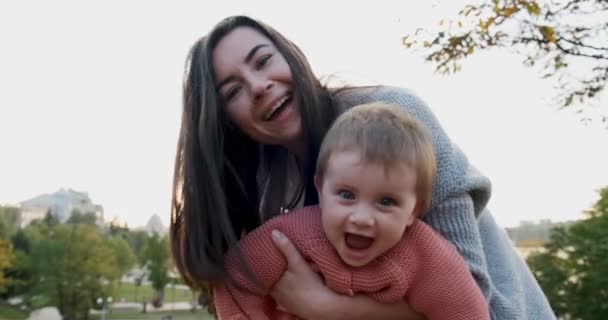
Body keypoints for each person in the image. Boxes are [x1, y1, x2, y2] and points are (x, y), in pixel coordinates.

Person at [170, 15, 556, 320]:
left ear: (292, 55)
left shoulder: (393, 123)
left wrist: (324, 308)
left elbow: (469, 292)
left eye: (263, 61)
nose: (258, 85)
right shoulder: (269, 185)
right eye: (234, 91)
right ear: (226, 120)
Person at [213, 102, 489, 320]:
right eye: (346, 195)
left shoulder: (425, 257)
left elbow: (466, 311)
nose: (361, 218)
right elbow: (235, 280)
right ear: (321, 191)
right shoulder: (293, 235)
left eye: (386, 202)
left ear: (413, 212)